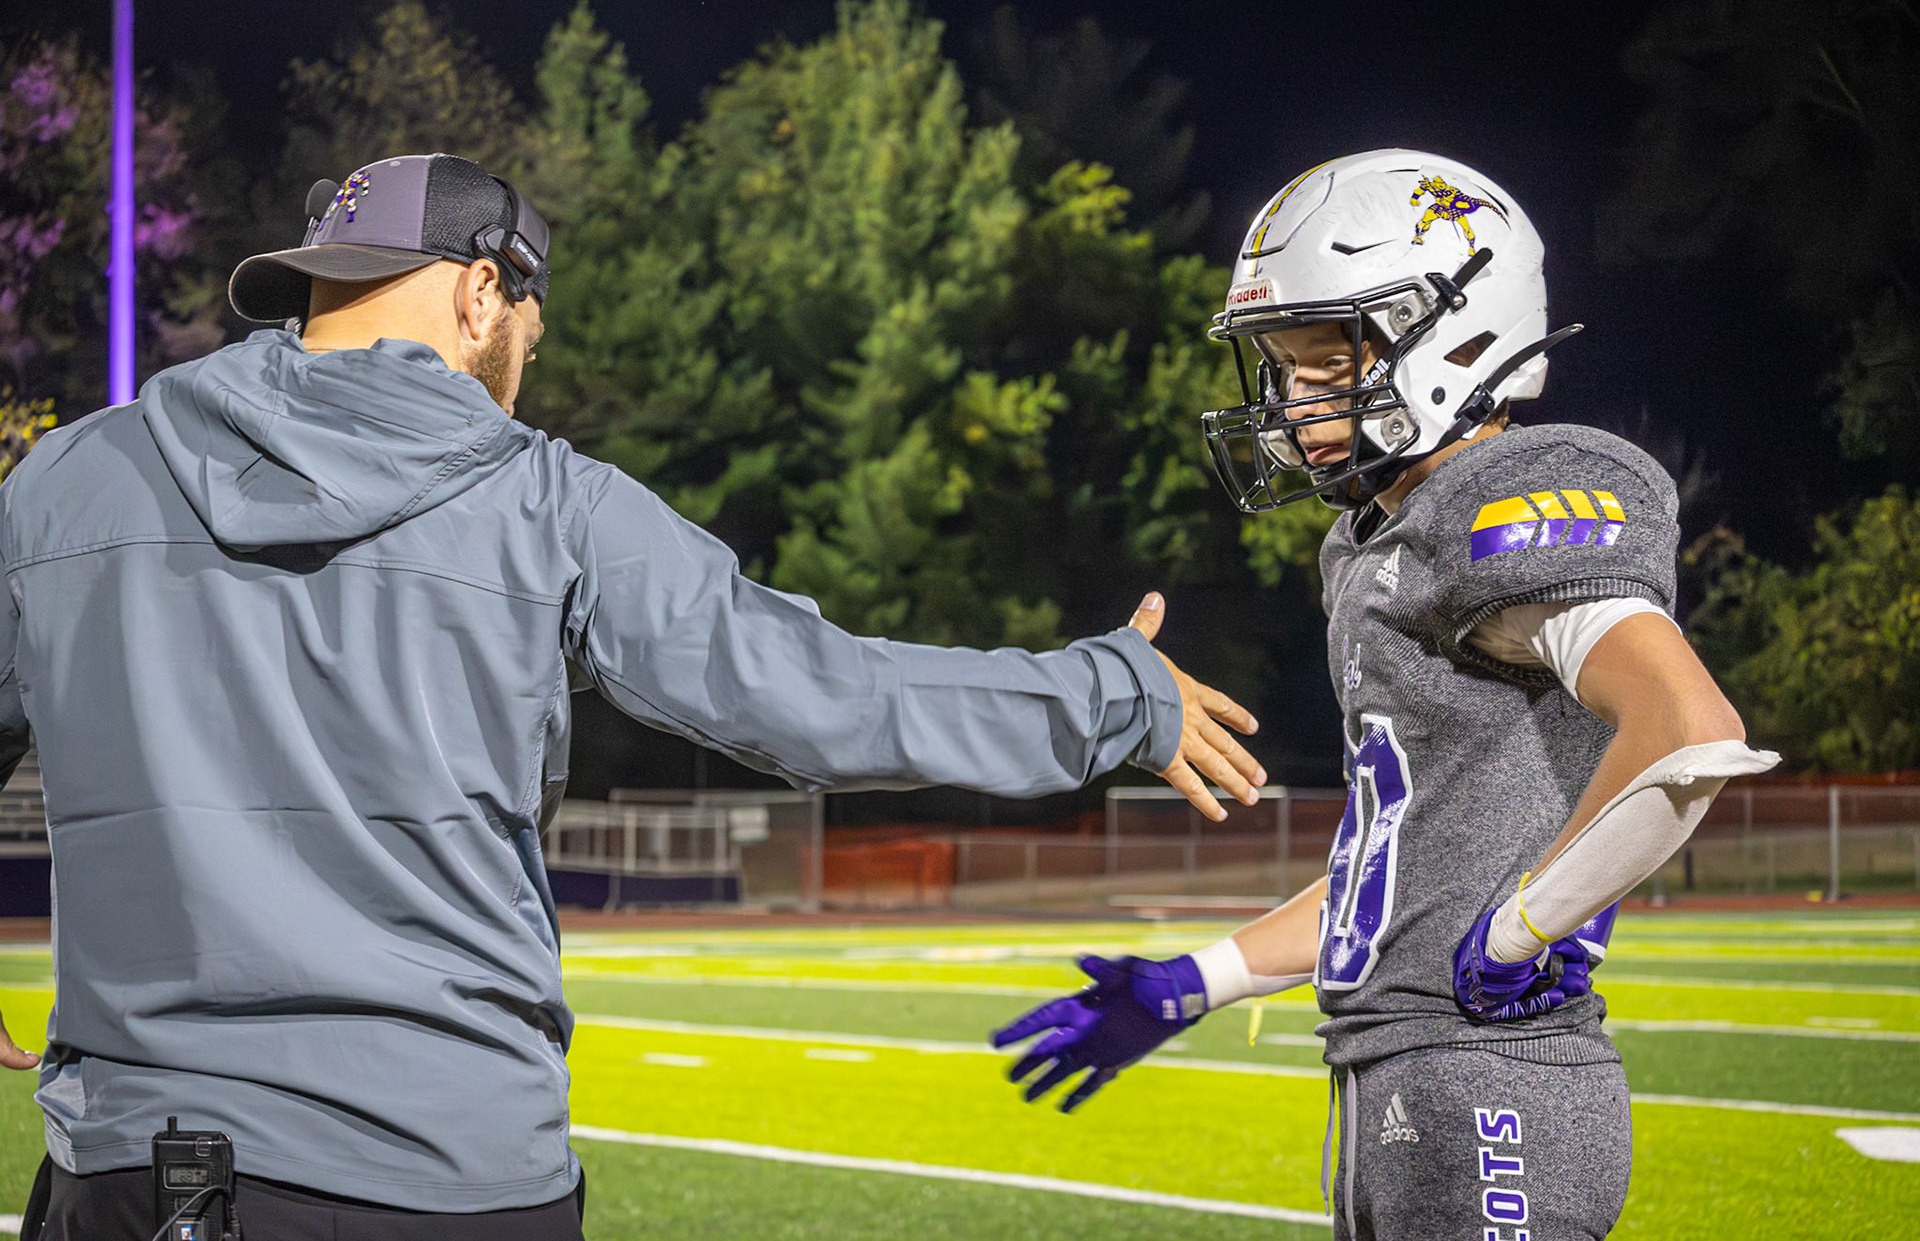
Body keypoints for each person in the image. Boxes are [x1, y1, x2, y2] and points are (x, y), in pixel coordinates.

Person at [0, 152, 1265, 1240]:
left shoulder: (64, 482)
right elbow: (825, 697)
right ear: (482, 289)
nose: (525, 364)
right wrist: (1112, 695)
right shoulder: (546, 500)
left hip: (129, 1171)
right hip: (444, 1171)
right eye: (530, 328)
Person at [991, 150, 1778, 1239]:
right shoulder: (1372, 542)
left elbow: (1687, 731)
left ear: (1457, 336)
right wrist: (1192, 980)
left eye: (1326, 361)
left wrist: (1522, 930)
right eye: (1282, 367)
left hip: (1491, 1074)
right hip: (1391, 1078)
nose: (1294, 400)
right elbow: (1398, 878)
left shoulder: (1502, 495)